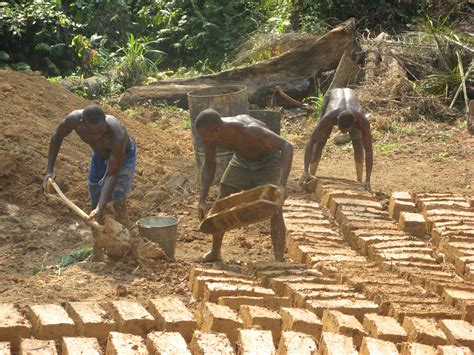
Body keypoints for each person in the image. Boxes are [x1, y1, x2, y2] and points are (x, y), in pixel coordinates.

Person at [196, 109, 293, 262]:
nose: (204, 140)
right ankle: (215, 252)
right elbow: (209, 163)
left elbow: (287, 146)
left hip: (268, 159)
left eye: (206, 136)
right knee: (222, 200)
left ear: (218, 130)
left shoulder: (249, 130)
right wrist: (202, 199)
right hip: (241, 160)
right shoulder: (210, 135)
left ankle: (279, 259)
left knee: (274, 205)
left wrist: (282, 185)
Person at [41, 105, 137, 225]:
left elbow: (112, 174)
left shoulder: (117, 134)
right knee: (95, 194)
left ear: (105, 120)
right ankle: (98, 227)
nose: (98, 137)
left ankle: (122, 225)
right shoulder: (74, 120)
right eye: (93, 133)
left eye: (102, 131)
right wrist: (49, 170)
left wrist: (100, 208)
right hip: (99, 156)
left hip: (123, 157)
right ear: (83, 124)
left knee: (117, 196)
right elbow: (57, 136)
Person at [300, 88, 373, 190]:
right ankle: (310, 175)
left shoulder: (362, 122)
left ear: (354, 123)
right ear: (337, 120)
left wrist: (368, 179)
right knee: (321, 141)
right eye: (340, 128)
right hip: (332, 96)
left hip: (352, 96)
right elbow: (312, 140)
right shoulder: (329, 117)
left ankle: (360, 180)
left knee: (358, 143)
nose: (342, 132)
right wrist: (305, 170)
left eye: (346, 130)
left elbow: (368, 150)